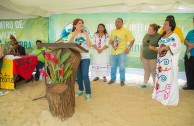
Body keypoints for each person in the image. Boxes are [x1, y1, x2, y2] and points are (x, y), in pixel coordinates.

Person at [151, 18, 181, 106]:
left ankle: (166, 97)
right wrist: (155, 48)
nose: (163, 26)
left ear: (170, 26)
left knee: (168, 80)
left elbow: (177, 48)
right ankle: (159, 95)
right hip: (160, 63)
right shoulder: (162, 36)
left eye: (165, 24)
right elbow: (160, 48)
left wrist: (166, 47)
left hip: (169, 64)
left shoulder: (174, 36)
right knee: (160, 80)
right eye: (164, 24)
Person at [69, 18, 92, 101]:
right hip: (77, 58)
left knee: (85, 75)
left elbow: (89, 46)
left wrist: (87, 36)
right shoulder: (73, 34)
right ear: (75, 25)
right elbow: (69, 45)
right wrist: (73, 35)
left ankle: (88, 92)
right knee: (78, 76)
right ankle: (81, 89)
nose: (81, 24)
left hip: (85, 57)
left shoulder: (85, 34)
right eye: (79, 23)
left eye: (82, 23)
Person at [108, 18, 135, 86]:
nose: (117, 23)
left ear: (122, 23)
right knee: (113, 67)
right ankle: (112, 79)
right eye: (116, 22)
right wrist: (111, 42)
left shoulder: (126, 31)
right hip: (114, 52)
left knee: (122, 67)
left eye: (119, 22)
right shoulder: (112, 31)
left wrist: (128, 48)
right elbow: (110, 40)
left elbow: (132, 40)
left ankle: (122, 80)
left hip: (122, 52)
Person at [138, 24, 161, 88]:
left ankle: (155, 85)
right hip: (144, 57)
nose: (148, 30)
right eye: (148, 29)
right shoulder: (146, 35)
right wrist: (141, 55)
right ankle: (144, 83)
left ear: (155, 31)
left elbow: (161, 48)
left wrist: (154, 48)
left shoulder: (159, 36)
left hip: (153, 58)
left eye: (150, 29)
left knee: (154, 72)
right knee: (146, 71)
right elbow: (142, 45)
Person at [183, 18, 194, 90]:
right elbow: (185, 41)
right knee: (188, 71)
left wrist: (192, 45)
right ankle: (189, 85)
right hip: (188, 55)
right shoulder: (190, 32)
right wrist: (188, 44)